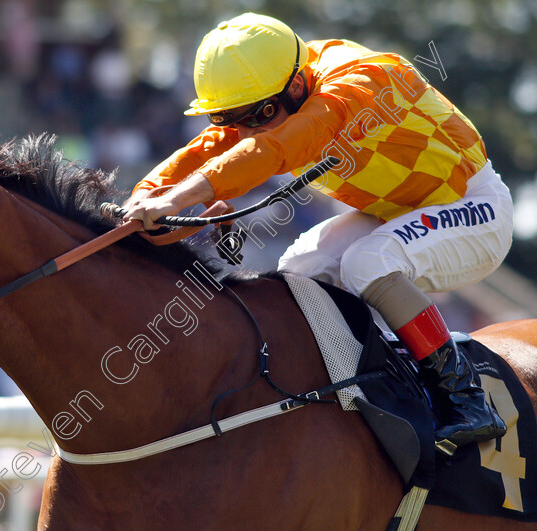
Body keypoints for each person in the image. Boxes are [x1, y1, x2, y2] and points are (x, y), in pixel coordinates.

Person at [124, 13, 512, 451]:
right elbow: (209, 149)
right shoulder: (274, 92)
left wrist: (174, 201)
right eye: (231, 119)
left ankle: (467, 400)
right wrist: (144, 198)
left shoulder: (361, 80)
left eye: (257, 116)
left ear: (295, 87)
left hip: (474, 207)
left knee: (367, 262)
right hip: (394, 213)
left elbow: (277, 146)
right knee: (298, 272)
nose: (247, 131)